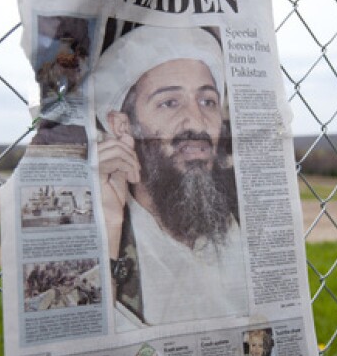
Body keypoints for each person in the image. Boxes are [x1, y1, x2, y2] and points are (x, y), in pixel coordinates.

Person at [93, 24, 247, 328]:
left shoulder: (243, 216)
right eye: (170, 102)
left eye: (207, 102)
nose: (197, 122)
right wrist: (108, 226)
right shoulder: (110, 230)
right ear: (123, 126)